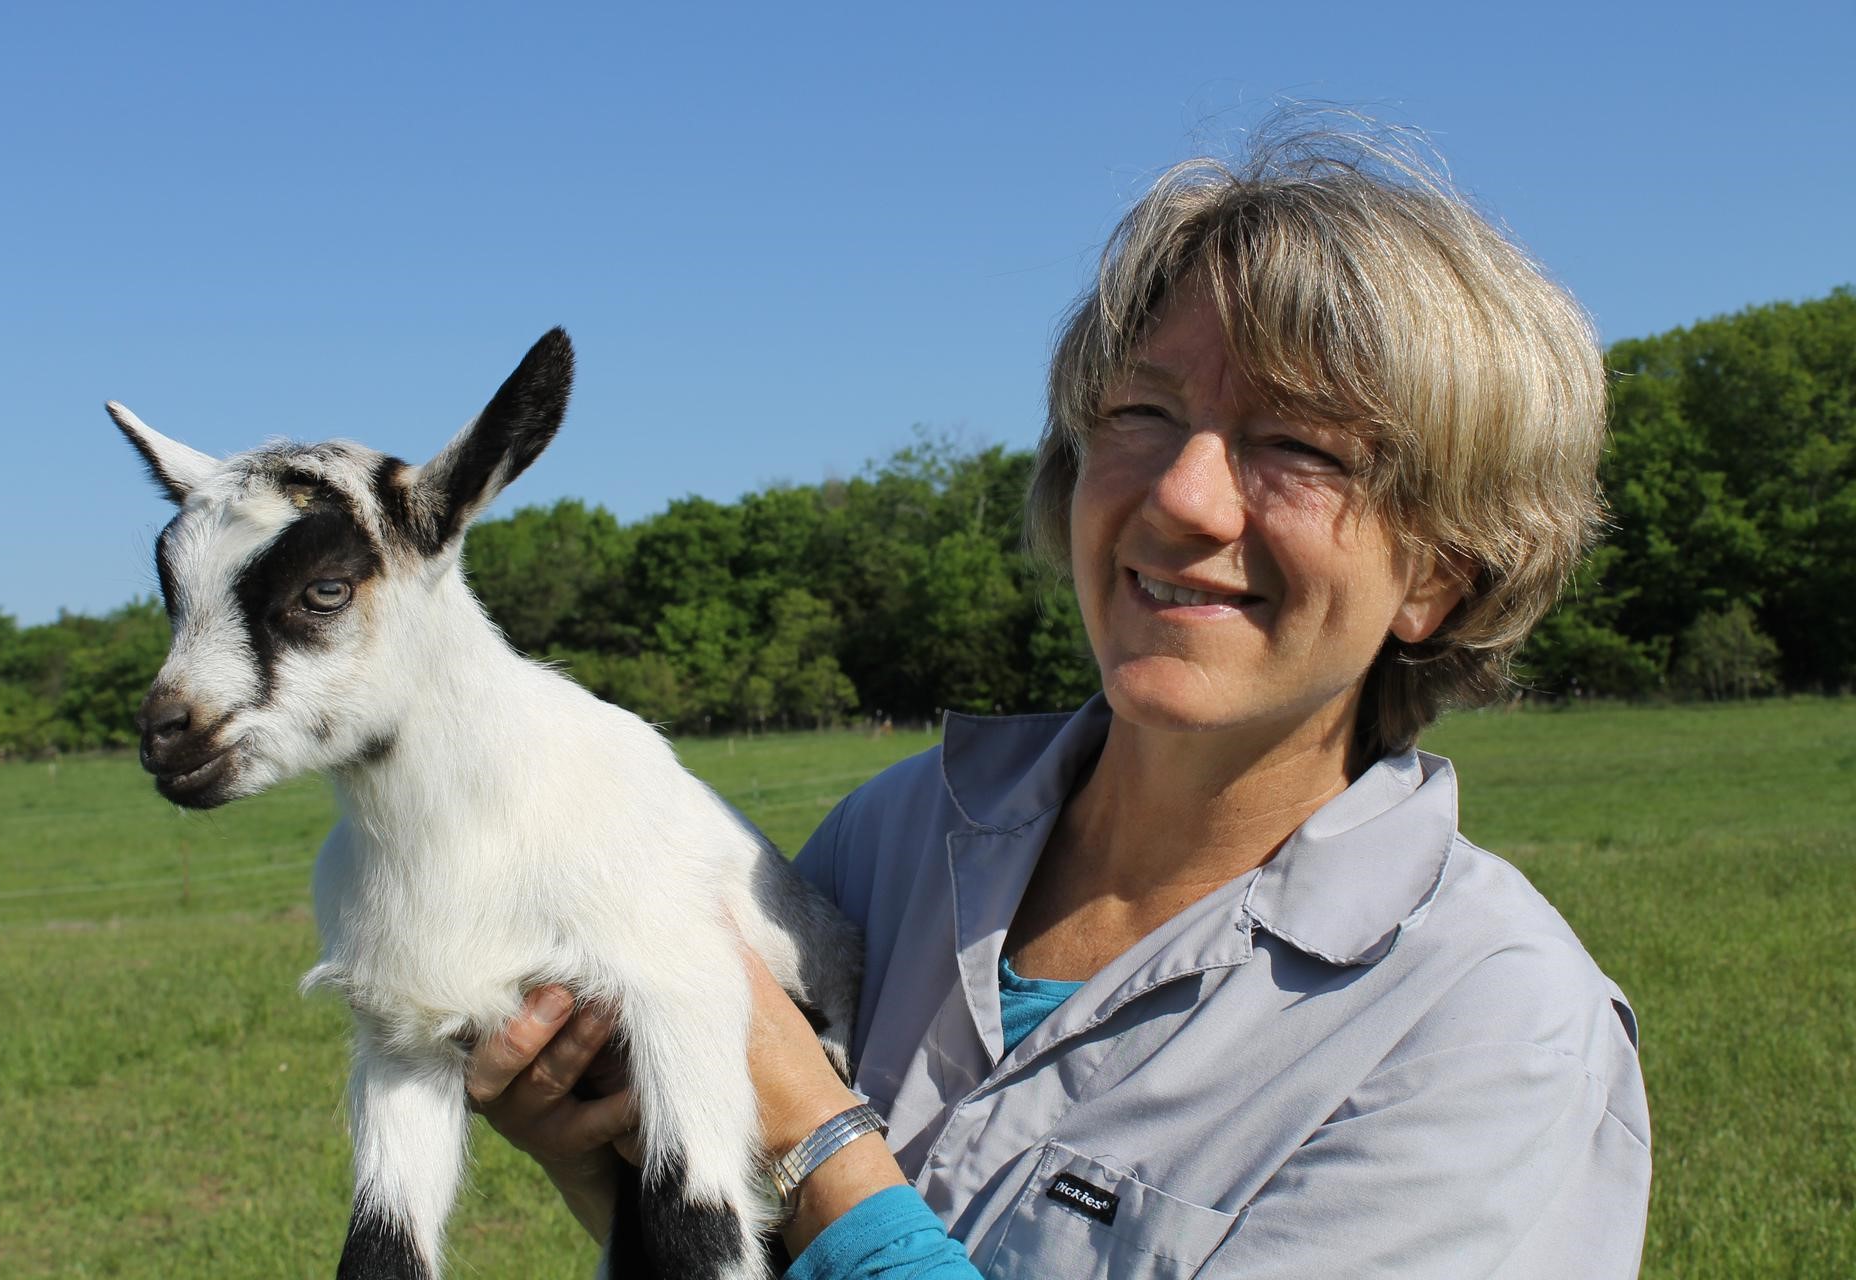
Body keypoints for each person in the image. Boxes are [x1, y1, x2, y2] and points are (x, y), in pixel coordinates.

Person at [465, 124, 1651, 1278]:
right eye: (1143, 413)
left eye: (1298, 444)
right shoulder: (891, 839)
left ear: (1441, 574)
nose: (1184, 497)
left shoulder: (1493, 1027)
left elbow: (805, 1155)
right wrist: (621, 1162)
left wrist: (812, 1132)